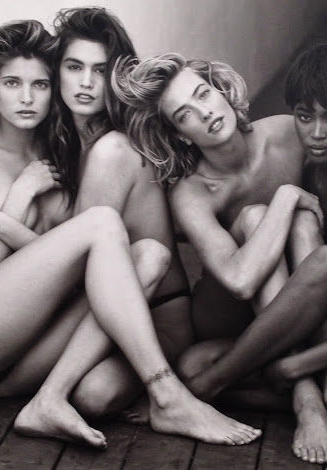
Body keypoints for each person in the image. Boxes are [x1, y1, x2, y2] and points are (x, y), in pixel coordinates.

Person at [0, 20, 261, 449]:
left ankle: (44, 400)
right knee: (107, 228)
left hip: (18, 349)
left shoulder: (57, 154)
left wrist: (5, 224)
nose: (27, 97)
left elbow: (66, 272)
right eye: (11, 83)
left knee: (147, 258)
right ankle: (168, 395)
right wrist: (18, 199)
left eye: (39, 84)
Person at [112, 51, 327, 465]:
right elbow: (239, 281)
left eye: (203, 94)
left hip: (303, 301)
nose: (204, 113)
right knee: (259, 221)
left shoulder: (290, 131)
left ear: (221, 91)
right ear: (181, 135)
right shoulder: (193, 191)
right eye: (185, 115)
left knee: (299, 224)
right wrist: (286, 197)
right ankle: (325, 397)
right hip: (238, 307)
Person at [46, 7, 193, 420]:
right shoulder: (68, 144)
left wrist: (6, 227)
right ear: (57, 71)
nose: (86, 82)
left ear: (116, 77)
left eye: (100, 70)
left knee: (93, 395)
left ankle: (179, 391)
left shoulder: (112, 149)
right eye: (74, 67)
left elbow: (74, 265)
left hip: (157, 316)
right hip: (103, 312)